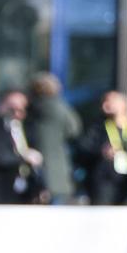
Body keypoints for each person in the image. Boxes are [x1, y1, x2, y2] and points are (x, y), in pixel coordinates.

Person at [79, 91, 127, 205]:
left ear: (123, 104)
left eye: (111, 101)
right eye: (104, 102)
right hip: (102, 187)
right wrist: (101, 152)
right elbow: (83, 150)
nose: (106, 105)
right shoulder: (97, 128)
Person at [0, 90, 44, 204]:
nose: (17, 114)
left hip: (25, 191)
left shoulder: (28, 128)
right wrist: (25, 157)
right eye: (12, 109)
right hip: (0, 190)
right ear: (1, 106)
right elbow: (0, 157)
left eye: (22, 110)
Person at [25, 73, 81, 205]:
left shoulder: (29, 110)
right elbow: (74, 130)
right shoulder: (61, 108)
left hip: (34, 165)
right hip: (58, 166)